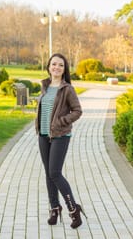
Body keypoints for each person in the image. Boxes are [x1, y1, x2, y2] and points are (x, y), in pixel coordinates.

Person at [35, 53, 86, 229]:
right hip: (43, 135)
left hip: (60, 136)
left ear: (64, 69)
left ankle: (73, 209)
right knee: (49, 174)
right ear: (49, 66)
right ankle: (54, 209)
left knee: (55, 173)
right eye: (54, 64)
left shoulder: (67, 89)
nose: (56, 67)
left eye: (61, 65)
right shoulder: (45, 86)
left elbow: (77, 111)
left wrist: (61, 121)